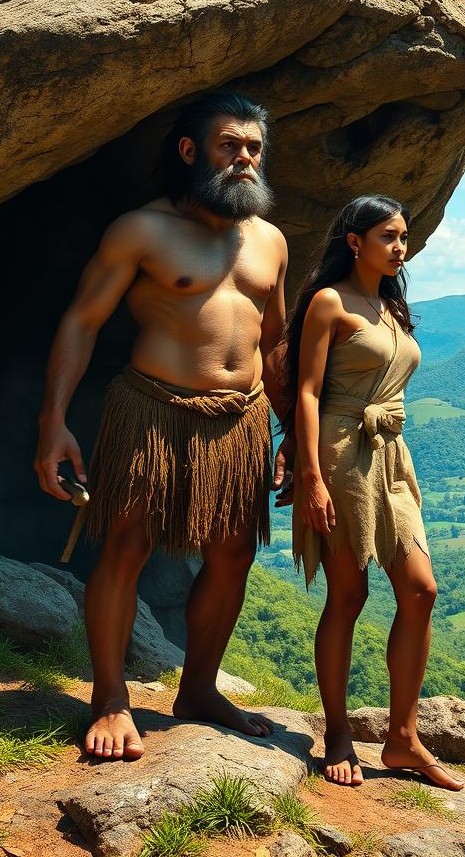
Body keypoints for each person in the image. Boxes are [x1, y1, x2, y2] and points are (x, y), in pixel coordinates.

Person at [34, 92, 292, 761]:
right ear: (191, 151)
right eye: (230, 145)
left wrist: (291, 434)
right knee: (127, 544)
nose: (244, 158)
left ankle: (199, 689)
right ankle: (110, 698)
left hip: (243, 420)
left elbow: (275, 343)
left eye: (254, 148)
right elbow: (81, 321)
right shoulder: (141, 230)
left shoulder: (270, 239)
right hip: (151, 409)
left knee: (234, 554)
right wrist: (53, 421)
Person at [284, 195, 463, 791]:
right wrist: (309, 476)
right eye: (388, 236)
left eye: (404, 237)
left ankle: (402, 738)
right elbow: (306, 392)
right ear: (354, 241)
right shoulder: (330, 302)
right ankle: (337, 731)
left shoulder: (391, 306)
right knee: (349, 592)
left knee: (420, 589)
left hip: (391, 456)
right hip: (341, 451)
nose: (400, 247)